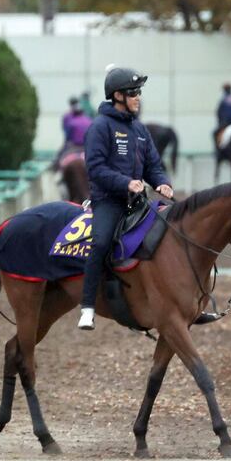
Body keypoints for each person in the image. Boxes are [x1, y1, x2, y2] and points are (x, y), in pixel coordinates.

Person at [77, 67, 174, 330]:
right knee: (100, 243)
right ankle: (87, 307)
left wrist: (162, 183)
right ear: (117, 95)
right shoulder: (100, 127)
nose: (137, 97)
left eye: (138, 92)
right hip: (109, 201)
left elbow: (153, 166)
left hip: (138, 202)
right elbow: (95, 168)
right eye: (133, 93)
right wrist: (125, 183)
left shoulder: (140, 130)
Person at [213, 83, 231, 149]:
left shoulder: (223, 99)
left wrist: (220, 122)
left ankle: (219, 153)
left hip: (226, 123)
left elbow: (219, 113)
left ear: (224, 90)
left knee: (215, 133)